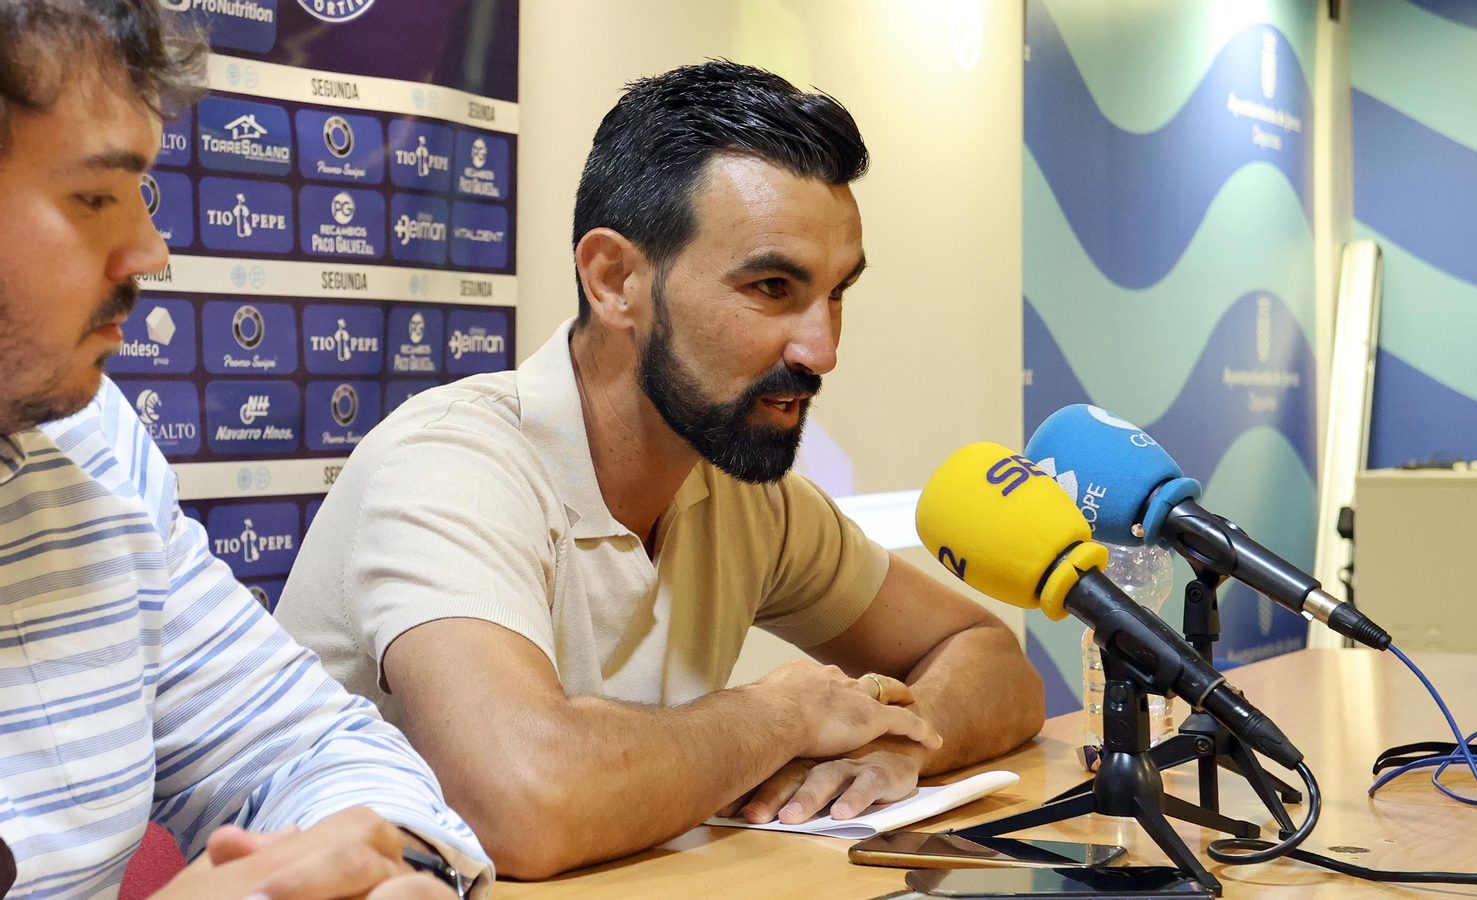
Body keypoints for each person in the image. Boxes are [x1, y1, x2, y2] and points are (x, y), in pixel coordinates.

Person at [275, 60, 1046, 879]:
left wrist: (899, 742)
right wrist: (779, 718)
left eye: (836, 293)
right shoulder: (450, 464)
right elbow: (524, 799)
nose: (820, 349)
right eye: (772, 287)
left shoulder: (748, 493)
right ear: (614, 281)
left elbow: (989, 657)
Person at [0, 2, 491, 896]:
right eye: (96, 198)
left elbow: (307, 745)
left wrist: (387, 867)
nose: (150, 252)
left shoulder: (93, 445)